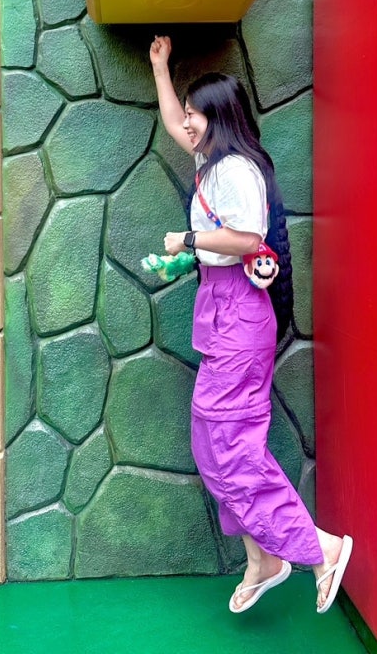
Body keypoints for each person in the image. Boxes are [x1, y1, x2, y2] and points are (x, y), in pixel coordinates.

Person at [149, 35, 353, 615]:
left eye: (196, 114)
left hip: (238, 312)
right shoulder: (210, 162)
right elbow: (174, 124)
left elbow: (245, 238)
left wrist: (187, 240)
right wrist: (161, 69)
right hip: (223, 313)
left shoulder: (237, 171)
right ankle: (263, 560)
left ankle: (319, 548)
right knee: (212, 443)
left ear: (217, 119)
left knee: (232, 446)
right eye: (188, 112)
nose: (187, 122)